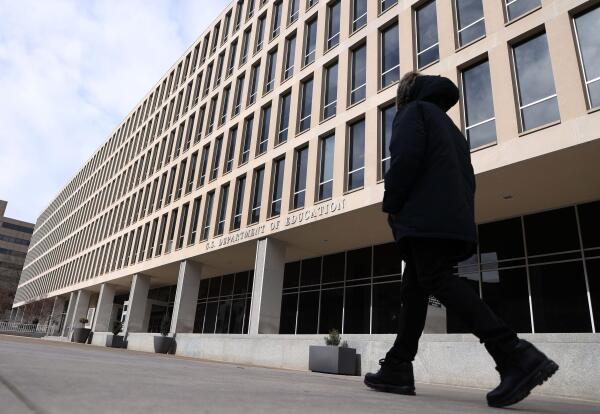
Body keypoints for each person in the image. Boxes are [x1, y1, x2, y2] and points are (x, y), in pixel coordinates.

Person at [364, 72, 559, 408]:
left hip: (425, 218)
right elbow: (466, 178)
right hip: (449, 218)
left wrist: (392, 205)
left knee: (436, 279)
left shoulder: (413, 113)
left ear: (406, 94)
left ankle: (516, 355)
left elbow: (404, 160)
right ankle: (397, 366)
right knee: (414, 291)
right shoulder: (449, 127)